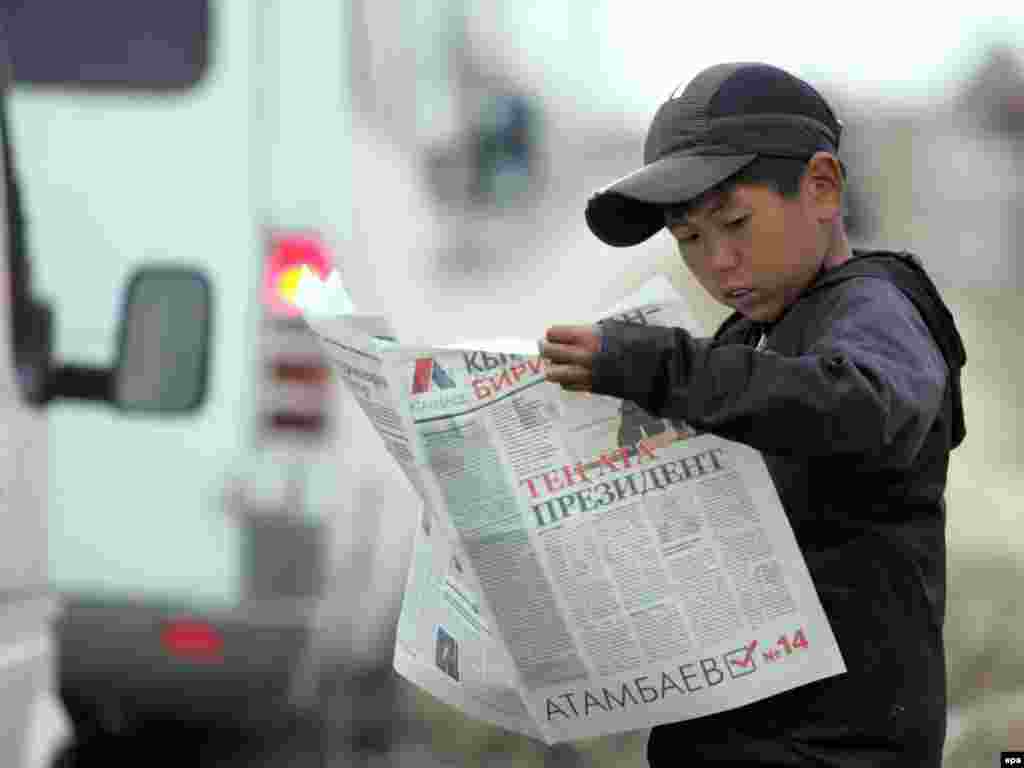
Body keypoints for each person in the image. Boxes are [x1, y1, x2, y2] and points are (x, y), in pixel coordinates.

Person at [540, 62, 967, 767]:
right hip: (727, 735)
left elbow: (860, 407)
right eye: (689, 241)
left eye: (735, 222)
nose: (719, 262)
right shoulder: (748, 336)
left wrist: (660, 367)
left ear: (822, 188)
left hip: (838, 749)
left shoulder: (877, 306)